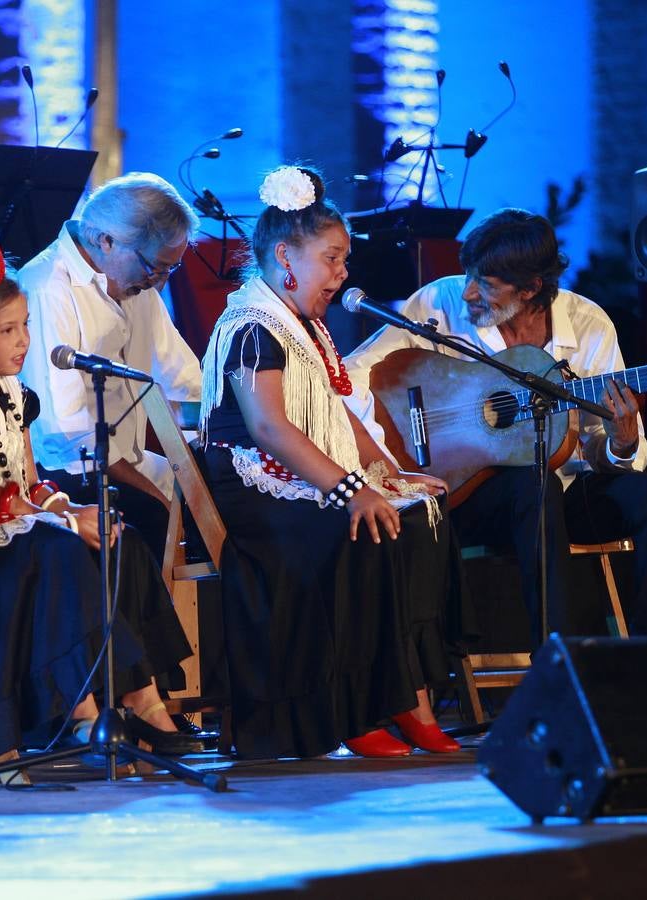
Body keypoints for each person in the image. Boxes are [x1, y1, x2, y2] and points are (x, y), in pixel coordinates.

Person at [0, 235, 202, 766]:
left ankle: (144, 702)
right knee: (60, 551)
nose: (23, 341)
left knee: (114, 536)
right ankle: (80, 714)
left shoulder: (10, 389)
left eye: (26, 325)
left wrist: (70, 511)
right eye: (6, 330)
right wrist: (59, 524)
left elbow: (27, 481)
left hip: (5, 518)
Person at [197, 167, 468, 760]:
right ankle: (354, 707)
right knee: (358, 525)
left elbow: (336, 412)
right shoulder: (252, 326)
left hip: (300, 469)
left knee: (420, 512)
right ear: (284, 255)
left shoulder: (306, 326)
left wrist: (388, 472)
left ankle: (407, 694)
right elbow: (269, 428)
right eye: (333, 259)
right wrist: (352, 489)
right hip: (253, 483)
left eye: (344, 261)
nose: (344, 275)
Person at [343, 208, 647, 637]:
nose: (469, 292)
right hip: (473, 495)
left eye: (486, 285)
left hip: (568, 492)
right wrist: (388, 454)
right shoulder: (439, 303)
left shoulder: (589, 324)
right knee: (531, 482)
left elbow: (602, 450)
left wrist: (623, 440)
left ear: (530, 289)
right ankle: (561, 658)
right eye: (468, 274)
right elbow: (351, 375)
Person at [18, 172, 202, 561]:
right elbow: (65, 436)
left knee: (230, 492)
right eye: (156, 267)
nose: (160, 282)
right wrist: (155, 496)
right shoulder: (46, 287)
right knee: (153, 518)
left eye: (171, 269)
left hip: (125, 462)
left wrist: (221, 433)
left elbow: (183, 380)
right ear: (105, 241)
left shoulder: (137, 283)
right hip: (64, 474)